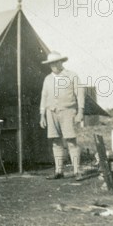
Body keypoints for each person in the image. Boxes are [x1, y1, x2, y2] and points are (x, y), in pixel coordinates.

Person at [39, 50, 85, 179]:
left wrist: (80, 112)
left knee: (71, 140)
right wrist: (42, 115)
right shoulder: (47, 79)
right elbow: (44, 97)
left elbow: (80, 94)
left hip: (68, 111)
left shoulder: (72, 76)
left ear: (61, 62)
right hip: (51, 112)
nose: (53, 65)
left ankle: (77, 171)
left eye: (56, 62)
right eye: (51, 63)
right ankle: (59, 171)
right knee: (56, 141)